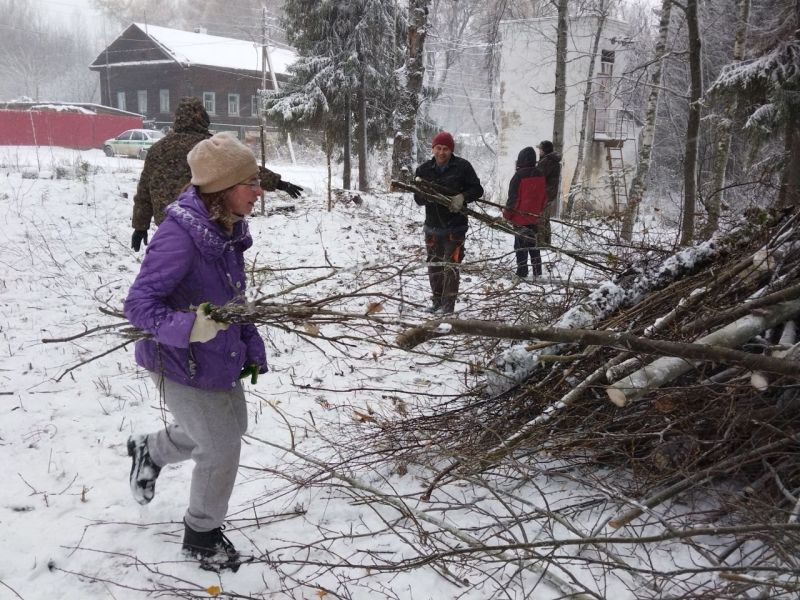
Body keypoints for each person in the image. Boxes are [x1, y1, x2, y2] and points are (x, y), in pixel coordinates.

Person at [124, 132, 269, 573]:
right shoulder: (179, 236)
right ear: (223, 190)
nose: (259, 191)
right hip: (178, 359)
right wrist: (191, 327)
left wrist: (248, 342)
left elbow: (232, 298)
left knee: (233, 426)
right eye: (251, 183)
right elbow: (138, 306)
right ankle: (201, 537)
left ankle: (151, 450)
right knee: (220, 446)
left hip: (215, 353)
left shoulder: (225, 228)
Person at [131, 96, 303, 252]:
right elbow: (244, 169)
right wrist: (279, 183)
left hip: (169, 228)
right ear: (202, 117)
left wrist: (140, 226)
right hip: (205, 225)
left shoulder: (157, 150)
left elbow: (144, 191)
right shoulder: (208, 147)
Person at [413, 131, 484, 314]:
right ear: (433, 149)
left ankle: (447, 308)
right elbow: (418, 199)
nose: (442, 153)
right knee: (434, 267)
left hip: (455, 227)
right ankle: (437, 302)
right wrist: (429, 197)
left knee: (451, 267)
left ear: (451, 150)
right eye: (438, 148)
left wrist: (462, 197)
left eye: (446, 149)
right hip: (432, 227)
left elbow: (477, 189)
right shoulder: (423, 170)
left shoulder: (463, 167)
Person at [503, 147, 547, 278]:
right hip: (534, 217)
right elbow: (544, 196)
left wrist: (506, 215)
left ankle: (522, 271)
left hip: (520, 218)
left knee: (520, 246)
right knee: (533, 246)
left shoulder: (518, 177)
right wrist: (538, 211)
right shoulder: (540, 174)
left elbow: (513, 200)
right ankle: (537, 272)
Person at [535, 140, 561, 247]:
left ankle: (541, 244)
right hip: (550, 194)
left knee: (540, 219)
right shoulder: (553, 161)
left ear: (544, 150)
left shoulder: (546, 162)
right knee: (545, 219)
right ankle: (546, 242)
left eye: (540, 149)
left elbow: (538, 178)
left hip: (544, 194)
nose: (539, 151)